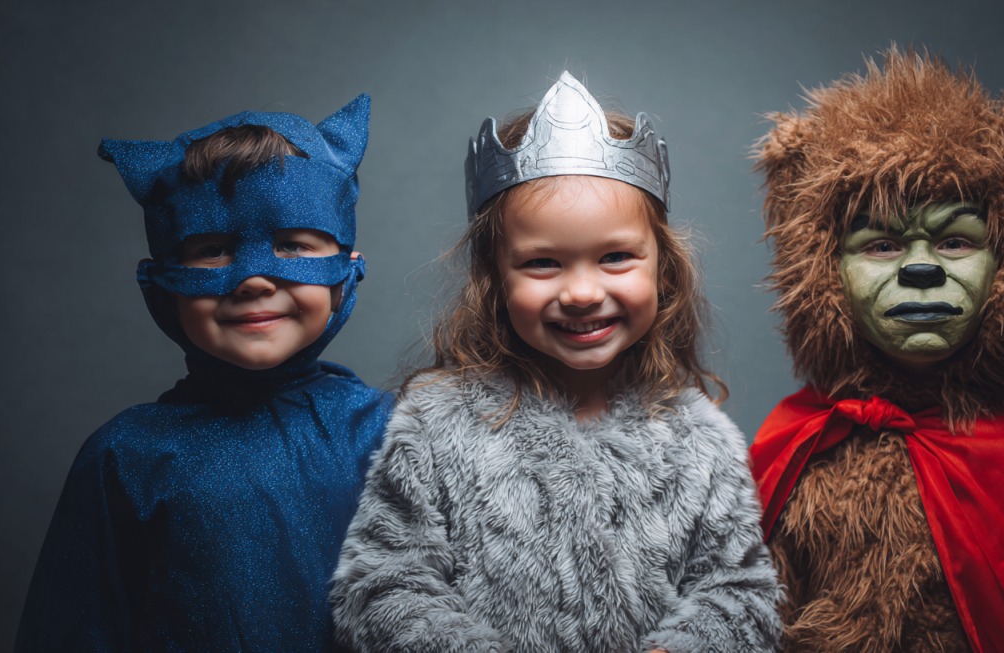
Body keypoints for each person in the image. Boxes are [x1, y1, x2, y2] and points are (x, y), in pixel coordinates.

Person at [329, 72, 783, 652]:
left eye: (615, 257)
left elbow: (740, 591)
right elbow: (382, 585)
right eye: (543, 263)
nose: (582, 292)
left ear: (662, 268)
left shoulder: (702, 439)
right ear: (494, 278)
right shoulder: (435, 426)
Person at [749, 48, 1004, 652]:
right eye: (883, 244)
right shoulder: (795, 447)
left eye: (955, 241)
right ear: (824, 273)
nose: (921, 270)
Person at [16, 95, 394, 651]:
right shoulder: (124, 456)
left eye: (293, 244)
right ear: (162, 280)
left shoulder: (395, 434)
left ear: (347, 268)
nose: (254, 280)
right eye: (212, 249)